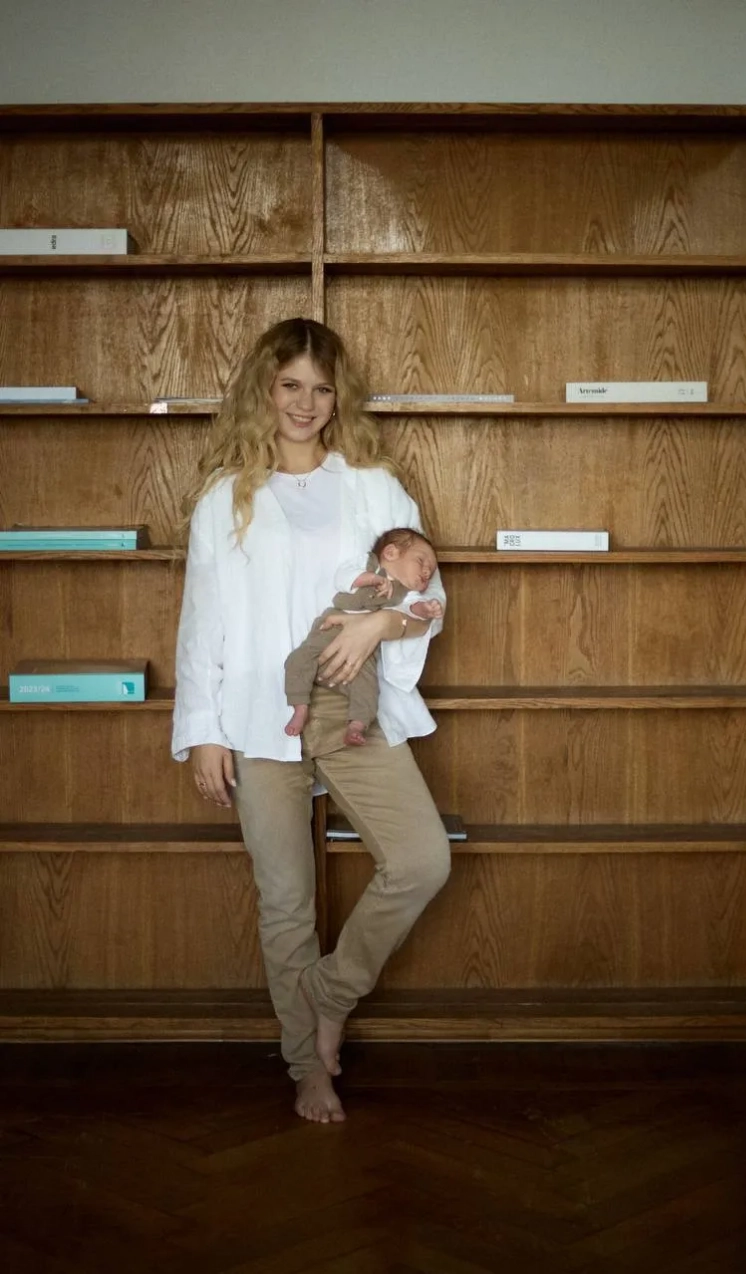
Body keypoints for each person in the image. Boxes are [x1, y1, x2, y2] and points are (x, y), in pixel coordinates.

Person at [172, 317, 451, 1125]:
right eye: (290, 385)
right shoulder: (226, 496)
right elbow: (202, 620)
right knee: (286, 900)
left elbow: (429, 593)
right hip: (259, 714)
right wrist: (205, 730)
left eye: (321, 389)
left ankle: (329, 994)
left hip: (353, 711)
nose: (304, 403)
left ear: (338, 398)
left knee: (421, 860)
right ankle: (306, 1066)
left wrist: (379, 625)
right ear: (264, 389)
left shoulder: (375, 486)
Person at [284, 527, 444, 746]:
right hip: (330, 627)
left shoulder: (406, 593)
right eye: (421, 561)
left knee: (367, 687)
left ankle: (357, 725)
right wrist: (370, 579)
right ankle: (300, 706)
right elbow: (343, 576)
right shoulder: (367, 564)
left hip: (365, 651)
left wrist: (425, 609)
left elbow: (411, 608)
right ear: (391, 553)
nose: (427, 572)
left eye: (431, 572)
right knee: (298, 660)